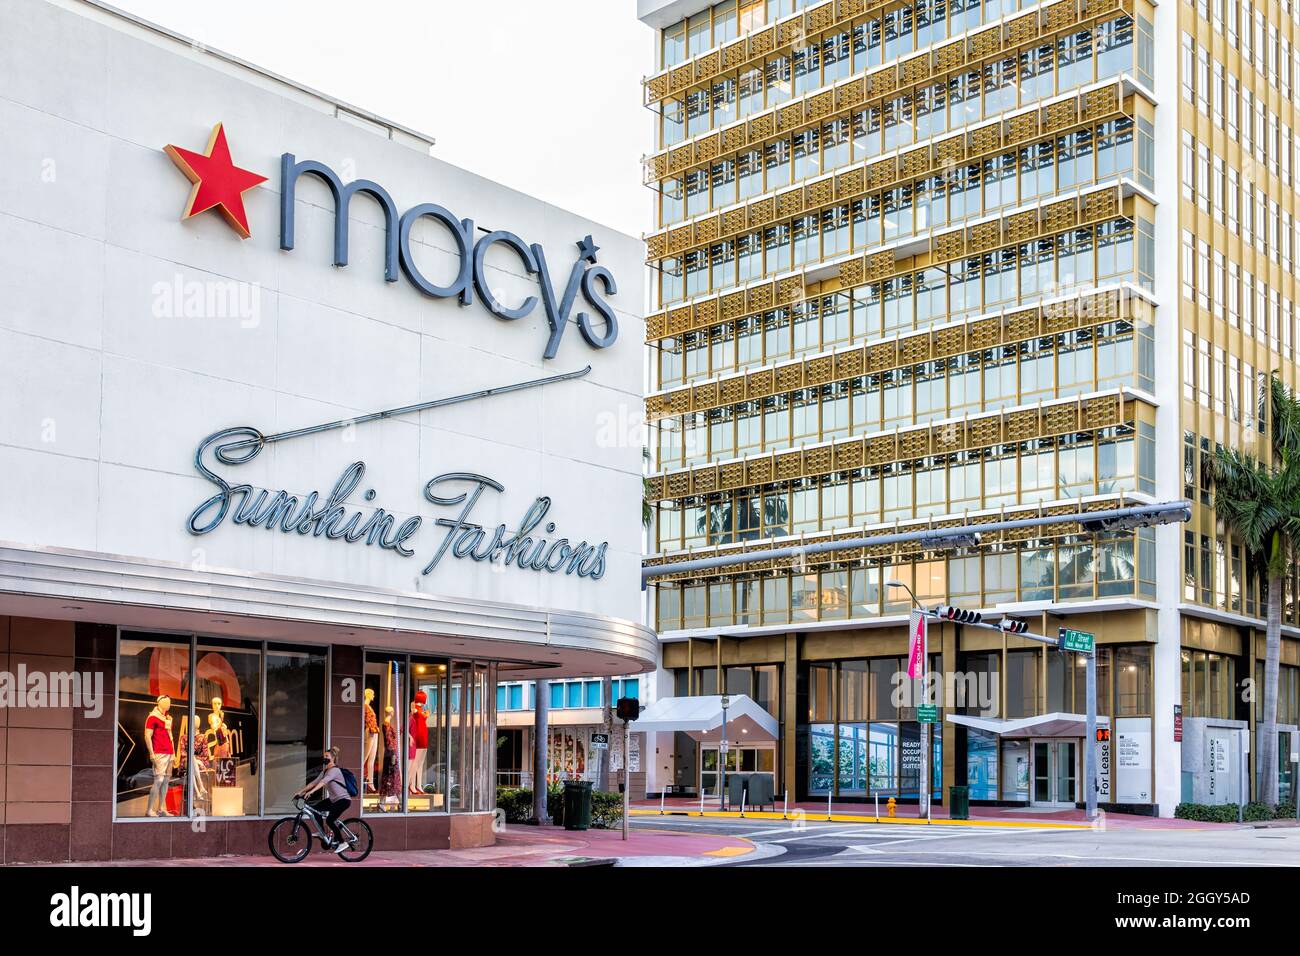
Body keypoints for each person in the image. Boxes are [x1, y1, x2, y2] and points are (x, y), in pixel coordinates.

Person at [296, 746, 352, 854]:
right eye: (324, 756)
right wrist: (301, 791)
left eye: (327, 756)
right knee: (314, 809)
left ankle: (342, 842)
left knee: (330, 820)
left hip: (343, 800)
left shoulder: (335, 771)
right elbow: (314, 782)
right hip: (333, 800)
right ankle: (323, 833)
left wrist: (311, 792)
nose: (324, 758)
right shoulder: (325, 771)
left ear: (333, 758)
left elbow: (322, 783)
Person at [144, 695, 174, 817]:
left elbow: (170, 736)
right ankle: (149, 810)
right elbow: (147, 736)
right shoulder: (152, 717)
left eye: (170, 702)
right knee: (159, 780)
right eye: (167, 702)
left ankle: (161, 808)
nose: (169, 704)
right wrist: (152, 753)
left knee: (166, 780)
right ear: (160, 702)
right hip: (159, 753)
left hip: (169, 752)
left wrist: (174, 753)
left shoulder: (167, 717)